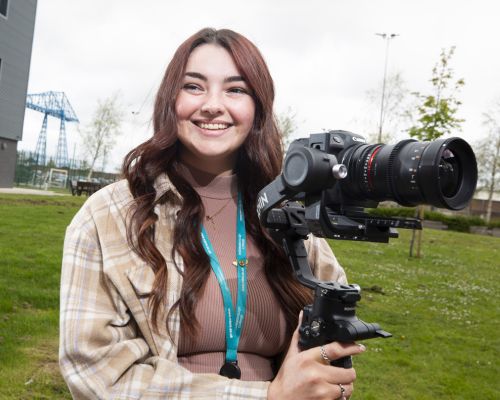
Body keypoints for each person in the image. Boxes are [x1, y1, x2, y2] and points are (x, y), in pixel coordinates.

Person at [59, 27, 365, 399]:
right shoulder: (107, 216)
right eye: (194, 86)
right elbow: (94, 371)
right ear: (170, 100)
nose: (212, 104)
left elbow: (331, 337)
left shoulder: (289, 213)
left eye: (235, 89)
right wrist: (267, 397)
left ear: (258, 108)